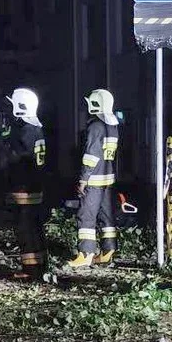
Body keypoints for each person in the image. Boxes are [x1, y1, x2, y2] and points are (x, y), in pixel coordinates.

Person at [66, 88, 120, 269]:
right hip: (108, 180)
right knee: (107, 217)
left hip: (94, 180)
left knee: (86, 217)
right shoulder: (112, 126)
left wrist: (83, 179)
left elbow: (91, 155)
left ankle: (86, 253)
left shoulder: (96, 126)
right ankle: (108, 251)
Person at [1, 87, 48, 279]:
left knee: (25, 229)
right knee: (35, 227)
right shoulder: (36, 129)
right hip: (34, 187)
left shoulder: (25, 131)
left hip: (23, 188)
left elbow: (15, 158)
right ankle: (40, 265)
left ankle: (30, 270)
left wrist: (7, 140)